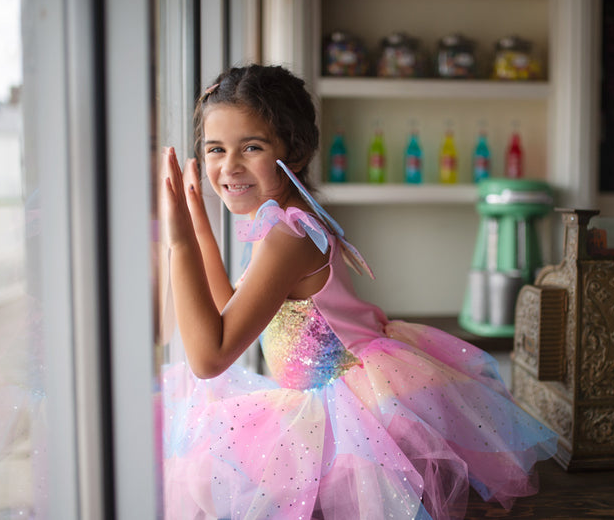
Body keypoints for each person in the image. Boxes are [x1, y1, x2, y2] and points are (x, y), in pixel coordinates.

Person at [161, 64, 556, 520]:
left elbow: (210, 356)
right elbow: (229, 309)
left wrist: (180, 243)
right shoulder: (283, 219)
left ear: (297, 150)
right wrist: (199, 226)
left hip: (348, 411)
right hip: (331, 395)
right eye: (215, 149)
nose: (229, 166)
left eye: (252, 147)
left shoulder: (288, 235)